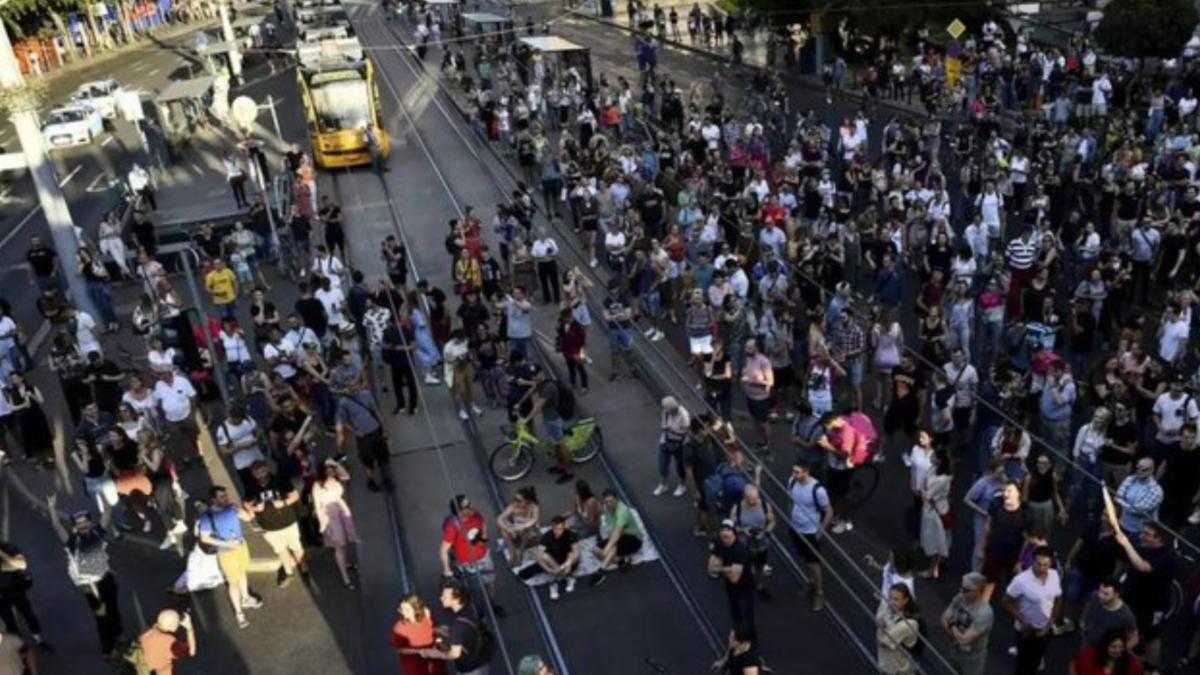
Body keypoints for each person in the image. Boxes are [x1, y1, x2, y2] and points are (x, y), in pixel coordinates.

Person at [45, 496, 123, 657]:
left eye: (85, 521)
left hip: (106, 578)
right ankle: (107, 650)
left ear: (90, 522)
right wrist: (51, 507)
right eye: (79, 523)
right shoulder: (73, 541)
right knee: (102, 618)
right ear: (75, 526)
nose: (82, 525)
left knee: (114, 610)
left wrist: (103, 497)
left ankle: (117, 635)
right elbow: (57, 526)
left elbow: (107, 514)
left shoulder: (97, 532)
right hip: (90, 585)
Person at [196, 486, 262, 629]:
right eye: (221, 497)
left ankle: (246, 599)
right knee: (233, 582)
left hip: (241, 546)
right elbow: (205, 538)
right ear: (213, 499)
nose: (226, 499)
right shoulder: (207, 516)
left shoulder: (232, 508)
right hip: (226, 552)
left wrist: (248, 508)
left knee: (242, 573)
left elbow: (247, 517)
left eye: (226, 496)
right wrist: (226, 543)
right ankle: (239, 614)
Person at [243, 460, 308, 588]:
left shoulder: (279, 481)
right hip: (269, 527)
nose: (261, 475)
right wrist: (256, 509)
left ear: (266, 470)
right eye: (257, 472)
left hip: (288, 522)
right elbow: (246, 503)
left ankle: (304, 568)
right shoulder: (251, 486)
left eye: (262, 471)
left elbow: (295, 496)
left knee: (296, 547)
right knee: (281, 550)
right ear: (253, 474)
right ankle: (289, 572)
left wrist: (283, 503)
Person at [441, 495, 504, 617]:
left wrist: (484, 535)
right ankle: (479, 612)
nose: (471, 507)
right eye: (467, 506)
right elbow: (444, 549)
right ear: (459, 511)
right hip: (467, 562)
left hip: (483, 556)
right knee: (475, 588)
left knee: (490, 581)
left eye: (470, 504)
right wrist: (446, 569)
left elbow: (483, 522)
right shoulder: (453, 526)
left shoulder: (475, 514)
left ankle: (492, 603)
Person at [1003, 545, 1063, 675]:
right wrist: (1023, 620)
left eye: (1045, 564)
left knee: (1035, 661)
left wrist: (1050, 623)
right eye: (1038, 563)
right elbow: (1006, 602)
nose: (1041, 568)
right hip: (1026, 630)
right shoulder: (1021, 580)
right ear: (1033, 561)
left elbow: (1058, 599)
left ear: (1050, 563)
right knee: (1023, 665)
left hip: (1045, 629)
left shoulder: (1054, 575)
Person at [787, 458, 831, 611]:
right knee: (806, 561)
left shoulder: (818, 490)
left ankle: (819, 592)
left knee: (813, 563)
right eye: (793, 471)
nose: (794, 474)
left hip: (810, 531)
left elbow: (829, 512)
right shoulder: (792, 481)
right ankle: (811, 582)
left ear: (806, 472)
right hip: (795, 528)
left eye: (797, 472)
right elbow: (791, 500)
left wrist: (820, 533)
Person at [312, 458, 360, 590]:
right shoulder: (318, 485)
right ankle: (345, 578)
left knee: (344, 542)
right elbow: (317, 506)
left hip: (341, 511)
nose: (331, 470)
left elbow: (346, 475)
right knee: (339, 545)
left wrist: (335, 463)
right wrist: (325, 525)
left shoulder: (337, 478)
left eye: (332, 468)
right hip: (330, 517)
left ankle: (346, 564)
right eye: (328, 468)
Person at [334, 385, 392, 492]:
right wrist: (355, 431)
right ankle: (370, 481)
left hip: (376, 430)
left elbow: (376, 411)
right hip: (363, 436)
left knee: (383, 456)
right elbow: (344, 421)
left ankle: (387, 479)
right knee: (367, 459)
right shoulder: (344, 402)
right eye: (350, 386)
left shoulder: (367, 394)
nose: (354, 388)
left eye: (355, 385)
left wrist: (384, 428)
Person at [429, 581, 492, 675]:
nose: (441, 598)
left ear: (456, 599)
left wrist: (434, 654)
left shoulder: (457, 625)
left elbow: (455, 653)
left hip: (470, 668)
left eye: (444, 597)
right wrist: (447, 630)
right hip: (481, 659)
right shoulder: (469, 607)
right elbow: (467, 630)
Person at [709, 519, 757, 640]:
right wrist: (728, 569)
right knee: (736, 614)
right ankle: (739, 638)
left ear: (734, 533)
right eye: (722, 530)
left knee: (745, 615)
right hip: (731, 588)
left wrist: (721, 569)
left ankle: (750, 641)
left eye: (728, 530)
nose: (725, 533)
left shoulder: (739, 550)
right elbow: (711, 568)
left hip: (744, 587)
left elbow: (734, 578)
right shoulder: (719, 543)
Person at [516, 515, 580, 601]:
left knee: (571, 556)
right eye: (555, 529)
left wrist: (567, 564)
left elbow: (576, 553)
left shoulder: (571, 535)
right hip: (553, 559)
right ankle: (568, 577)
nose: (557, 531)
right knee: (523, 573)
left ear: (564, 526)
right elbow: (539, 555)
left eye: (560, 528)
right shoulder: (547, 536)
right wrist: (549, 570)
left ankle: (555, 583)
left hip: (567, 560)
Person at [940, 572, 992, 675]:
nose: (961, 591)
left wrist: (951, 624)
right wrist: (956, 636)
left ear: (978, 591)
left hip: (972, 657)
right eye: (962, 587)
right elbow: (943, 618)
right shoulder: (961, 597)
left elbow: (964, 640)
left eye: (966, 590)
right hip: (955, 649)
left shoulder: (984, 612)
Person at [589, 489, 644, 587]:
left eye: (611, 501)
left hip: (633, 540)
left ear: (617, 500)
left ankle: (601, 571)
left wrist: (606, 549)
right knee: (595, 550)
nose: (609, 504)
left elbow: (617, 532)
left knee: (614, 543)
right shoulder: (606, 509)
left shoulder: (623, 511)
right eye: (606, 502)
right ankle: (621, 561)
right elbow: (611, 530)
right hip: (618, 539)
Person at [0, 541, 45, 649]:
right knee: (9, 622)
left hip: (15, 588)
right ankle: (21, 647)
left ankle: (39, 639)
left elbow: (22, 564)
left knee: (28, 614)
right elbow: (16, 565)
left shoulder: (7, 547)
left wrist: (1, 554)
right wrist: (9, 565)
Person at [392, 594, 447, 675]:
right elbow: (400, 649)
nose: (403, 612)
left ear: (416, 608)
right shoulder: (399, 628)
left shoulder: (426, 616)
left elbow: (430, 630)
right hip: (417, 668)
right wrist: (420, 651)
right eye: (401, 609)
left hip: (435, 664)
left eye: (406, 609)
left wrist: (436, 630)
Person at [1080, 578, 1138, 650]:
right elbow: (1088, 607)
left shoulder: (1126, 615)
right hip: (1088, 641)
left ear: (1116, 594)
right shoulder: (1095, 597)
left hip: (1105, 650)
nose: (1100, 596)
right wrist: (1083, 622)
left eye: (1106, 594)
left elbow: (1134, 639)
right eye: (1100, 591)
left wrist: (1118, 651)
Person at [875, 583, 920, 674]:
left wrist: (880, 629)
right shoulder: (886, 605)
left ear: (905, 600)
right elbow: (878, 619)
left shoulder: (906, 624)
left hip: (897, 669)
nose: (891, 602)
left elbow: (882, 641)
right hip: (886, 663)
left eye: (896, 599)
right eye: (890, 597)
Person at [136, 608, 196, 675]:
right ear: (171, 626)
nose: (179, 622)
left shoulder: (147, 634)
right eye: (177, 620)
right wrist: (189, 628)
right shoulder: (168, 643)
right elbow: (191, 652)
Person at [740, 339, 773, 452]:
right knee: (755, 420)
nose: (746, 350)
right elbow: (745, 372)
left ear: (756, 348)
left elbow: (770, 382)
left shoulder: (764, 362)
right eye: (746, 347)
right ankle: (760, 442)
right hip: (750, 396)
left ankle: (767, 443)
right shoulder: (748, 359)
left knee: (763, 423)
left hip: (761, 399)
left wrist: (752, 381)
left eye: (749, 348)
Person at [496, 487, 541, 569]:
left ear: (527, 501)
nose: (516, 502)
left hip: (531, 531)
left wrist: (518, 527)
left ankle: (520, 552)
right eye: (515, 499)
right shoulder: (513, 506)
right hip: (517, 530)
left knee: (526, 532)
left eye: (519, 501)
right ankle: (512, 552)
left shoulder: (534, 507)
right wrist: (507, 528)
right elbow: (500, 519)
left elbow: (533, 521)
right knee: (503, 530)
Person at [655, 396, 690, 497]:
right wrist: (665, 429)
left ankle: (682, 485)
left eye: (668, 410)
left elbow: (686, 432)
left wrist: (672, 430)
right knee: (662, 464)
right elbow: (663, 426)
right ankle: (663, 484)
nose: (666, 412)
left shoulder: (683, 414)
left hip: (679, 443)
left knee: (680, 466)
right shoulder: (665, 412)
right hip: (665, 441)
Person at [1069, 630, 1145, 675]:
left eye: (1121, 646)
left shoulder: (1131, 663)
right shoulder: (1090, 654)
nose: (1117, 650)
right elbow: (1074, 664)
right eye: (1113, 646)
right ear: (1105, 646)